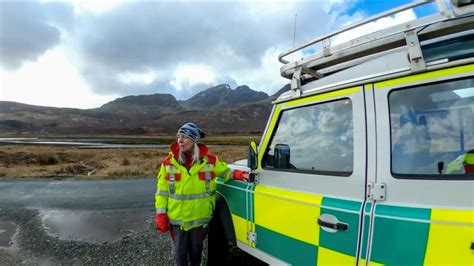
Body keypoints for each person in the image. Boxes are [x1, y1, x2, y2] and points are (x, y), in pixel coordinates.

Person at [154, 122, 248, 266]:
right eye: (178, 136)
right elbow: (162, 192)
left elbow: (225, 172)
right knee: (179, 257)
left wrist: (240, 174)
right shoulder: (168, 163)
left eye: (184, 137)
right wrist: (160, 214)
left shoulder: (209, 161)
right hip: (178, 221)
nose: (179, 140)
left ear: (195, 140)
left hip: (200, 220)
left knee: (196, 255)